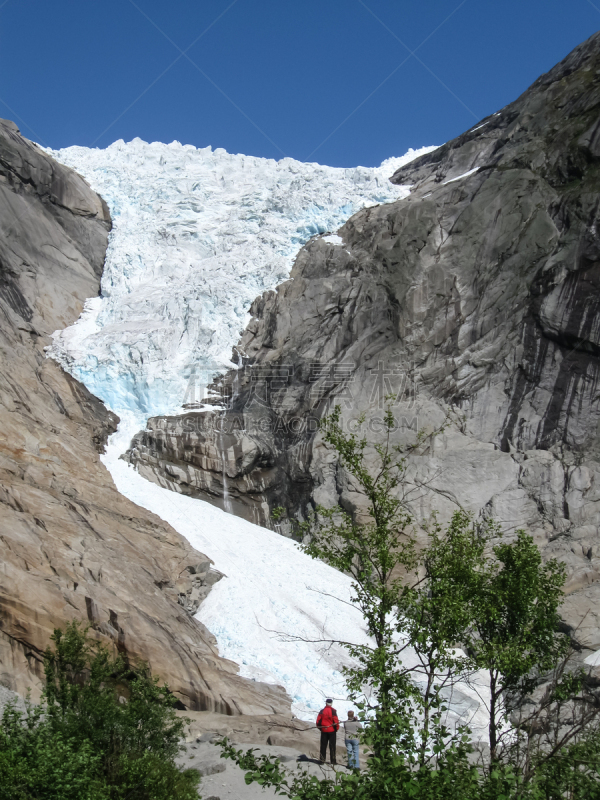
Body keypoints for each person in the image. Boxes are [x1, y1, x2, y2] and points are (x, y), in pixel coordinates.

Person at [316, 698, 339, 764]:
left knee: (323, 745)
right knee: (332, 746)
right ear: (331, 704)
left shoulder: (322, 711)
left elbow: (318, 721)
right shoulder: (333, 711)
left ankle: (322, 760)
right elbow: (336, 721)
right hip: (332, 731)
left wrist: (320, 728)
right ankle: (333, 761)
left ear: (326, 703)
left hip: (324, 730)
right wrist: (336, 729)